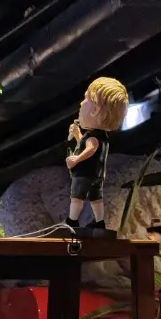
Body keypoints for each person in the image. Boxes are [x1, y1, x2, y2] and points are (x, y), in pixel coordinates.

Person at [65, 77, 129, 234]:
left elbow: (91, 148)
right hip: (97, 175)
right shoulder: (101, 136)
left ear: (95, 110)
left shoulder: (94, 137)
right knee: (96, 199)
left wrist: (76, 159)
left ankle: (72, 221)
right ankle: (99, 222)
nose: (81, 104)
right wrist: (78, 135)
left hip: (84, 174)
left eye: (86, 98)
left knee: (76, 197)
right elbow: (88, 146)